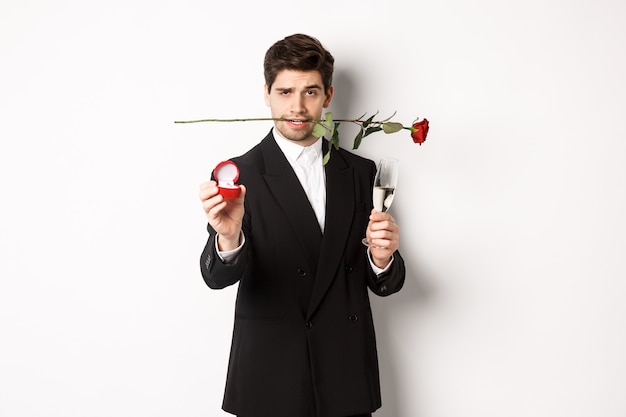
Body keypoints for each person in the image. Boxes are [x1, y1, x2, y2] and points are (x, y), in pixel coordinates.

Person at [199, 33, 406, 417]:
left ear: (328, 96)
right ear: (266, 93)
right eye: (285, 92)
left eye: (310, 92)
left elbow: (385, 284)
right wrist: (228, 238)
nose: (296, 106)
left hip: (344, 373)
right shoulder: (237, 173)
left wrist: (383, 258)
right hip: (270, 374)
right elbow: (216, 278)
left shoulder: (361, 173)